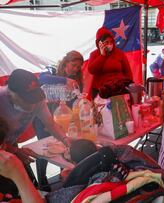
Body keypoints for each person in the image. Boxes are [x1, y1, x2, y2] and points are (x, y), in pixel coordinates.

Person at [34, 50, 84, 191]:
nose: (76, 69)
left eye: (78, 67)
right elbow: (41, 79)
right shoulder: (52, 69)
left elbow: (76, 101)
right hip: (44, 119)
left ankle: (63, 176)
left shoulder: (78, 80)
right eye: (73, 65)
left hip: (64, 120)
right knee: (44, 150)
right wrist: (64, 80)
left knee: (63, 149)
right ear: (65, 62)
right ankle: (42, 182)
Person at [0, 69, 69, 159]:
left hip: (9, 143)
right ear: (11, 93)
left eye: (34, 97)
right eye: (26, 99)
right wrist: (14, 150)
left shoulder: (37, 100)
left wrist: (65, 140)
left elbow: (50, 124)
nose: (32, 104)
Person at [88, 27, 133, 99]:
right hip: (102, 91)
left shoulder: (119, 53)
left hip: (119, 89)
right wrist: (102, 56)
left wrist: (130, 86)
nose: (109, 44)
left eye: (111, 42)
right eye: (106, 42)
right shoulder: (94, 54)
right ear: (99, 43)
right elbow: (91, 70)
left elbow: (128, 72)